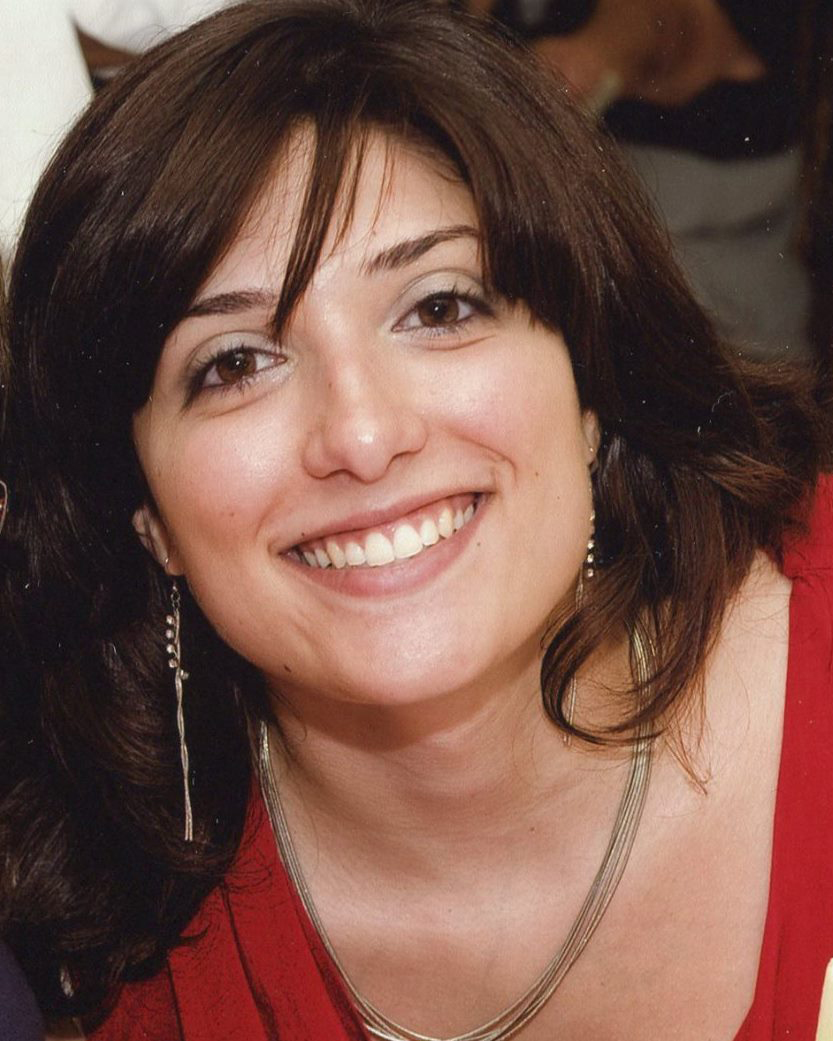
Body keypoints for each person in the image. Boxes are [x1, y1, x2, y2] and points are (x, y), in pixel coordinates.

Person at [1, 1, 832, 1038]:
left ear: (587, 381)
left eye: (438, 309)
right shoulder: (117, 975)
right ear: (145, 515)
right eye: (235, 364)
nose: (361, 434)